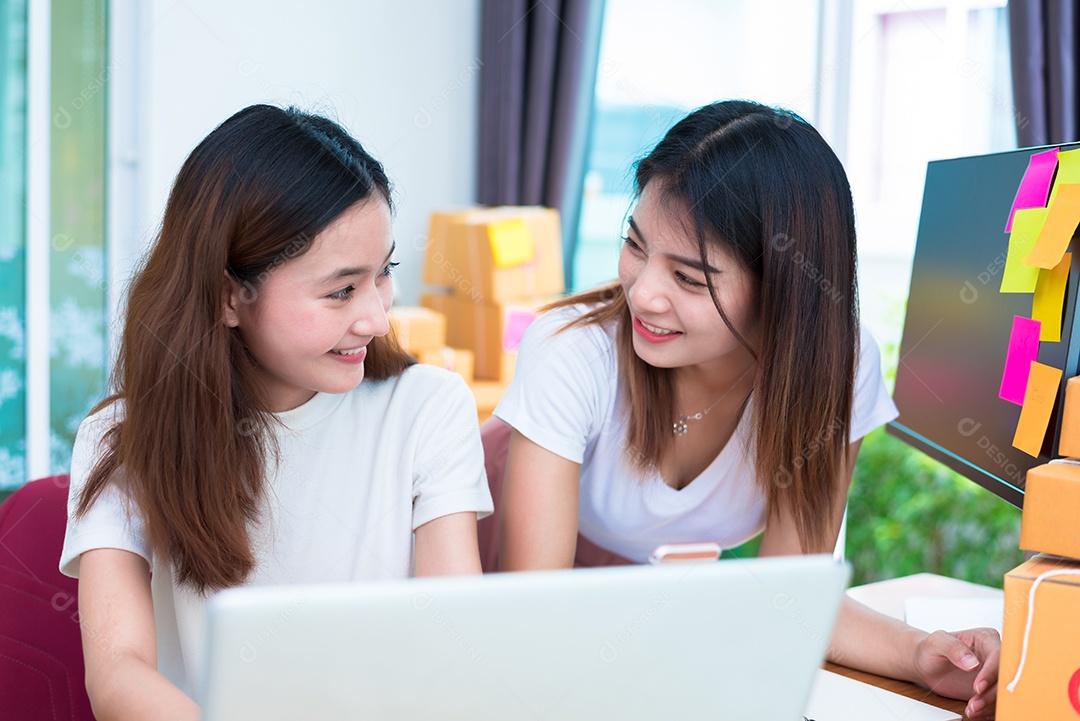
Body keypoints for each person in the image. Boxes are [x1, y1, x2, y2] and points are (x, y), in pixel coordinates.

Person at [489, 100, 1000, 718]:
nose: (643, 292)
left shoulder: (835, 366)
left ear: (784, 290)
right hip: (492, 594)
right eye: (634, 244)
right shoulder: (573, 352)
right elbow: (531, 620)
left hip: (624, 617)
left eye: (690, 278)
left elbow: (785, 601)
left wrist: (922, 653)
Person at [59, 105, 493, 719]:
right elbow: (117, 673)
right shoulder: (121, 438)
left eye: (385, 274)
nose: (375, 317)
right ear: (231, 296)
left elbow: (456, 641)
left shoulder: (427, 407)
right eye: (341, 290)